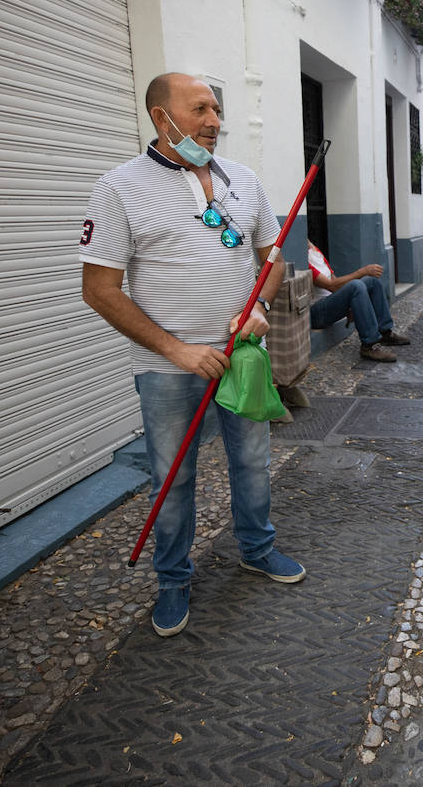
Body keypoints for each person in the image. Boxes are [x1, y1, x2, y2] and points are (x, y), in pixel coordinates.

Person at [80, 72, 306, 638]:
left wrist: (261, 309)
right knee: (172, 480)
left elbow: (271, 260)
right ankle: (174, 580)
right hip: (167, 370)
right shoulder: (118, 188)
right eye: (201, 108)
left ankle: (257, 549)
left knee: (252, 462)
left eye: (216, 109)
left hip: (243, 356)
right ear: (162, 117)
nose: (214, 121)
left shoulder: (245, 181)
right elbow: (99, 289)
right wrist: (178, 351)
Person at [307, 240, 410, 362]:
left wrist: (348, 302)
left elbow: (334, 280)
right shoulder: (304, 261)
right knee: (356, 285)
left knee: (372, 282)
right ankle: (369, 346)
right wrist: (362, 272)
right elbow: (331, 285)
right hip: (317, 313)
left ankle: (385, 333)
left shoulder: (315, 252)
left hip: (330, 303)